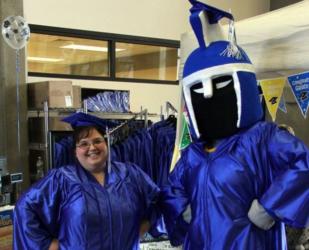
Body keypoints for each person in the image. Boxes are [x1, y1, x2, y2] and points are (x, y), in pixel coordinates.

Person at [160, 1, 309, 249]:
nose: (208, 97)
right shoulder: (193, 155)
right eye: (198, 90)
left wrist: (269, 207)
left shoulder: (262, 139)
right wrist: (181, 206)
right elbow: (170, 188)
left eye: (220, 86)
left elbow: (303, 162)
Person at [13, 112, 160, 250]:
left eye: (98, 141)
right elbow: (24, 207)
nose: (92, 147)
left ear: (107, 144)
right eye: (84, 143)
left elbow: (157, 201)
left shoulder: (129, 175)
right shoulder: (62, 180)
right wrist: (47, 244)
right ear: (75, 152)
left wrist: (143, 227)